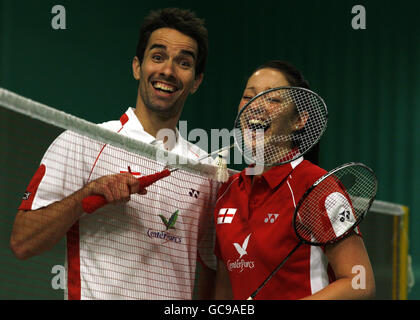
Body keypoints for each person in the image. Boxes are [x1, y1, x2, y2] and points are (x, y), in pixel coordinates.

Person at [10, 8, 218, 300]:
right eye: (157, 57)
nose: (168, 71)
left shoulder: (206, 171)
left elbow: (213, 267)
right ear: (137, 66)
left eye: (183, 63)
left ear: (196, 81)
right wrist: (87, 196)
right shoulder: (83, 141)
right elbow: (23, 242)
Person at [213, 60, 375, 300]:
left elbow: (360, 283)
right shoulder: (226, 192)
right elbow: (226, 291)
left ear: (299, 120)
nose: (256, 105)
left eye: (273, 99)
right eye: (248, 97)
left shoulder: (317, 186)